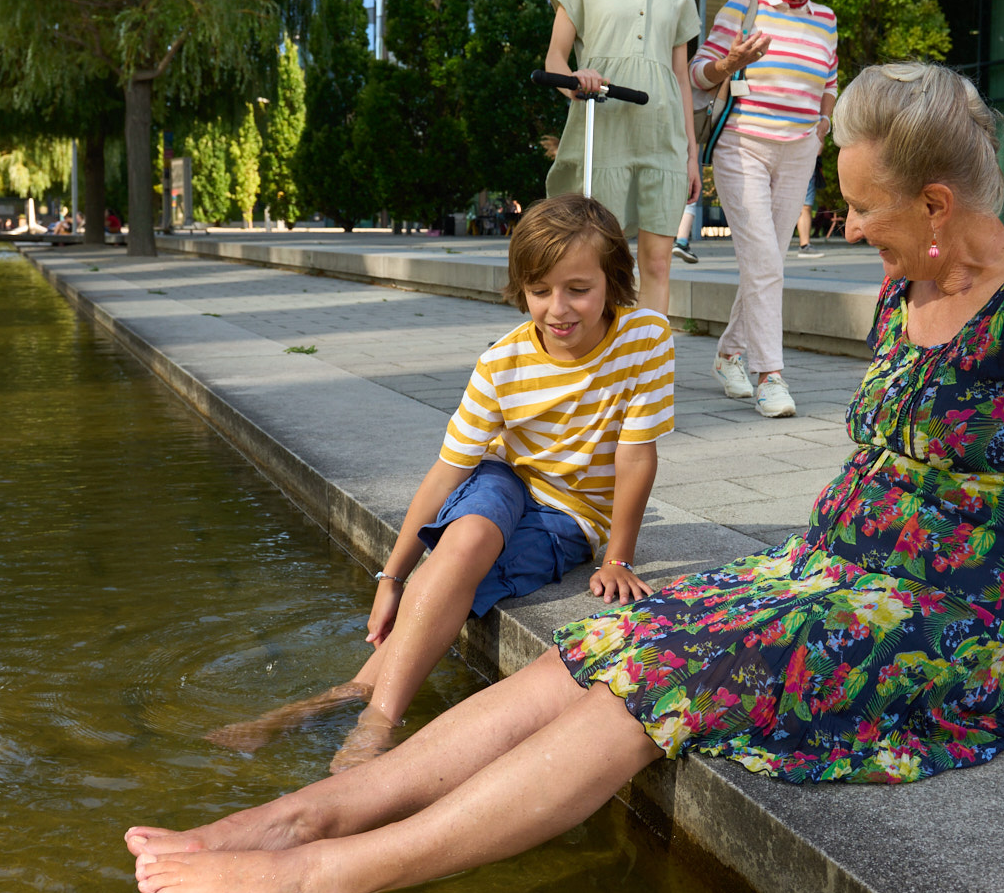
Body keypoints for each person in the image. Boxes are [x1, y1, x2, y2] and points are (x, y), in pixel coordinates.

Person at [125, 62, 1004, 893]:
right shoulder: (903, 293)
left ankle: (322, 874)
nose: (845, 224)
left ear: (932, 202)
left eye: (861, 206)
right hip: (821, 578)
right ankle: (304, 811)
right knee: (612, 642)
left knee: (660, 686)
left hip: (933, 627)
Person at [202, 194, 671, 771]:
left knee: (455, 581)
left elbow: (635, 457)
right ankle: (377, 725)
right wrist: (391, 576)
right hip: (504, 474)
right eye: (540, 290)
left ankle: (345, 703)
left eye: (578, 288)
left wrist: (618, 557)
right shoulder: (502, 364)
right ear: (521, 287)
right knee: (466, 537)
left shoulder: (645, 338)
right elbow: (448, 471)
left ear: (614, 280)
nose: (558, 309)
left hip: (569, 516)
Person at [691, 0, 840, 418]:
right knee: (763, 260)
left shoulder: (826, 20)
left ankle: (729, 354)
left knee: (767, 261)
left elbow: (829, 83)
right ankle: (769, 375)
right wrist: (730, 63)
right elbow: (697, 75)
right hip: (743, 146)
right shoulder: (744, 6)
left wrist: (823, 128)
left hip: (799, 148)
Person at [543, 0, 704, 319]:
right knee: (600, 260)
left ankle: (651, 373)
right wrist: (577, 81)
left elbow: (679, 79)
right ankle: (604, 365)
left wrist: (692, 155)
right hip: (604, 138)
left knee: (657, 263)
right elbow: (555, 60)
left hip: (662, 142)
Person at [793, 164, 824, 258]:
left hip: (803, 164)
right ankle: (804, 246)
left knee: (805, 206)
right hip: (802, 163)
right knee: (805, 206)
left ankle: (805, 246)